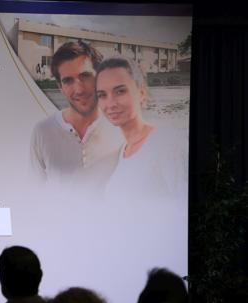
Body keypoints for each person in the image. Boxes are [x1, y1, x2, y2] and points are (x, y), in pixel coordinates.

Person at [31, 41, 123, 193]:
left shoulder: (122, 130)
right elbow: (34, 193)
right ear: (60, 87)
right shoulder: (42, 131)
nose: (79, 89)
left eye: (85, 76)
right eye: (68, 81)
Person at [95, 56, 188, 200]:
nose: (110, 104)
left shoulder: (167, 144)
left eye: (120, 91)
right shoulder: (123, 151)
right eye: (102, 95)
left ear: (141, 93)